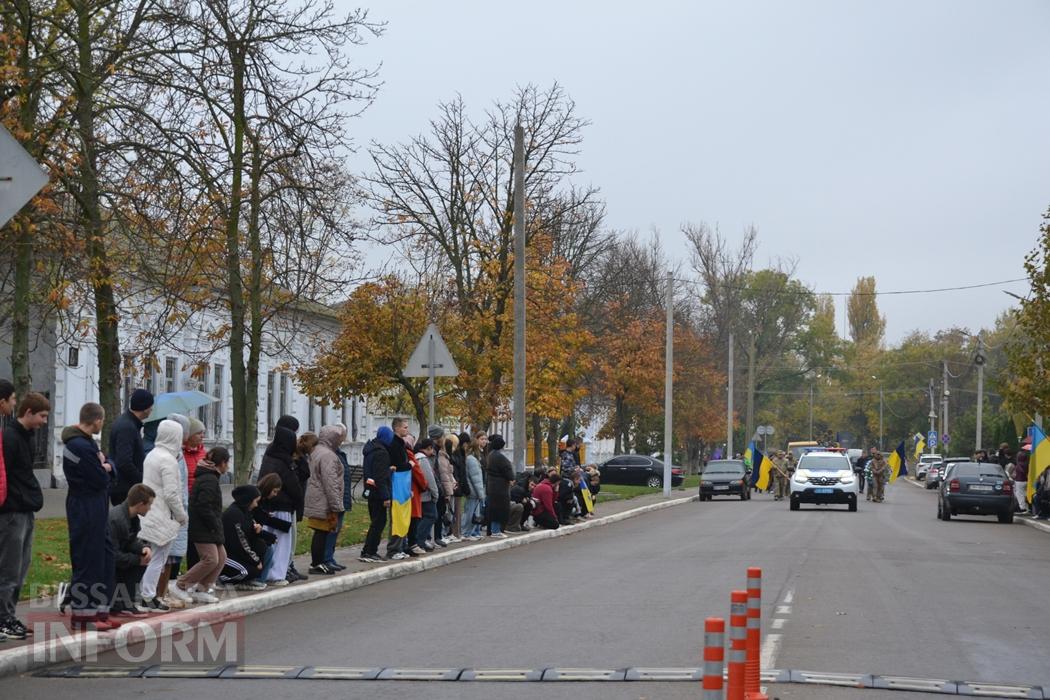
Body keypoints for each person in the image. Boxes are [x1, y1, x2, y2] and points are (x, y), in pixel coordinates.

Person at [62, 402, 118, 629]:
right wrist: (106, 469)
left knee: (103, 556)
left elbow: (107, 466)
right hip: (85, 506)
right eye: (101, 421)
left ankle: (100, 611)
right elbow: (99, 479)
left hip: (95, 505)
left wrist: (108, 466)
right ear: (97, 420)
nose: (101, 425)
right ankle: (84, 616)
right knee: (87, 558)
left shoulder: (85, 443)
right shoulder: (80, 446)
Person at [0, 392, 49, 640]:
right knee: (9, 568)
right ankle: (3, 618)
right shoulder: (9, 438)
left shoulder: (26, 437)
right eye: (41, 416)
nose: (44, 422)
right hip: (12, 511)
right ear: (28, 413)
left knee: (21, 566)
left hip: (25, 508)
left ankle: (9, 615)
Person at [137, 420, 187, 612]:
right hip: (162, 514)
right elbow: (172, 494)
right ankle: (148, 596)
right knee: (159, 558)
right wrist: (181, 516)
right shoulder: (168, 460)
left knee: (150, 556)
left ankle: (144, 594)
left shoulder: (152, 455)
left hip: (148, 512)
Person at [170, 447, 229, 605]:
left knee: (221, 557)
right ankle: (180, 585)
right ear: (222, 463)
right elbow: (204, 506)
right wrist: (215, 524)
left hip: (209, 527)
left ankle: (201, 589)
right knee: (210, 559)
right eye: (227, 463)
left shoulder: (209, 477)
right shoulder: (209, 479)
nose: (228, 467)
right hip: (203, 527)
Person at [257, 426, 301, 584]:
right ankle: (276, 574)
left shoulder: (269, 456)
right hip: (282, 507)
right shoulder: (284, 461)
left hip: (268, 507)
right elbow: (293, 485)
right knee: (282, 543)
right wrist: (298, 500)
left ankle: (269, 571)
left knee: (271, 540)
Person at [304, 425, 346, 574]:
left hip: (316, 498)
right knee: (322, 533)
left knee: (320, 533)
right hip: (324, 501)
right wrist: (337, 505)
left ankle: (320, 562)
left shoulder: (316, 452)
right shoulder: (329, 455)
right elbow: (331, 483)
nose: (340, 442)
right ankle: (317, 563)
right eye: (339, 439)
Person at [109, 483, 155, 616]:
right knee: (138, 562)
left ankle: (125, 602)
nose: (150, 508)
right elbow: (112, 554)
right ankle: (118, 604)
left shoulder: (132, 517)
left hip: (114, 555)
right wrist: (136, 560)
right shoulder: (116, 519)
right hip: (102, 561)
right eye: (149, 505)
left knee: (142, 559)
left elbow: (130, 540)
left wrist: (143, 549)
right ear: (141, 504)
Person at [220, 484, 271, 590]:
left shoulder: (245, 512)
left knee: (266, 549)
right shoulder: (234, 514)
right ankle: (226, 581)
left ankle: (250, 580)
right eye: (255, 501)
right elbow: (241, 543)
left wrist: (256, 529)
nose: (256, 505)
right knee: (247, 571)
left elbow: (248, 534)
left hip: (239, 554)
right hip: (229, 555)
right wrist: (256, 561)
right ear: (248, 500)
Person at [109, 388, 152, 506]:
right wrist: (142, 479)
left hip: (126, 488)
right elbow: (124, 462)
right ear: (145, 408)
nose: (152, 409)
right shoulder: (127, 427)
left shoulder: (129, 423)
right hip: (125, 490)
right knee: (128, 523)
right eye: (151, 406)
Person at [359, 426, 393, 563]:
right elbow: (380, 476)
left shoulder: (370, 450)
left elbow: (374, 472)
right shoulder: (382, 452)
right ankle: (370, 551)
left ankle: (367, 550)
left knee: (376, 521)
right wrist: (386, 496)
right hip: (378, 493)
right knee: (379, 522)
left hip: (370, 490)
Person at [288, 432, 317, 582]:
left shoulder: (302, 458)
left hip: (297, 500)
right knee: (289, 538)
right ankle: (288, 566)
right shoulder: (296, 458)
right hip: (292, 501)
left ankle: (290, 565)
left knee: (293, 537)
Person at [325, 427, 354, 569]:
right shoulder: (329, 454)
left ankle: (330, 557)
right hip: (334, 499)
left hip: (341, 498)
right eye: (340, 436)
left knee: (335, 529)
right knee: (330, 529)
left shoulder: (340, 453)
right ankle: (326, 558)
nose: (343, 439)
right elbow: (330, 479)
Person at [386, 419, 413, 560]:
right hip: (397, 487)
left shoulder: (401, 444)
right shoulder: (394, 445)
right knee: (396, 518)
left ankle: (401, 546)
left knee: (402, 517)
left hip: (403, 487)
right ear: (396, 428)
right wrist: (410, 465)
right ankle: (393, 549)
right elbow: (398, 465)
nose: (407, 430)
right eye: (404, 427)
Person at [485, 434, 513, 538]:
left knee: (493, 509)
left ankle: (492, 530)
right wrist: (511, 478)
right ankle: (496, 530)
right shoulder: (500, 457)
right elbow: (509, 472)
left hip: (492, 486)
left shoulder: (490, 455)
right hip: (500, 488)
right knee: (499, 509)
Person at [414, 438, 439, 551]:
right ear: (429, 448)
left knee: (422, 517)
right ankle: (420, 540)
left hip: (419, 494)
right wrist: (435, 494)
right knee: (431, 515)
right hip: (425, 495)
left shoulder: (416, 458)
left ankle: (420, 540)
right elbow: (430, 479)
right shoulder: (423, 460)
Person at [462, 436, 487, 540]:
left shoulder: (471, 459)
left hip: (474, 492)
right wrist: (481, 495)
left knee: (473, 513)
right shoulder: (472, 460)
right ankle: (466, 533)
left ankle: (470, 533)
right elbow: (476, 479)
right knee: (470, 513)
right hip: (473, 492)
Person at [183, 418, 207, 494]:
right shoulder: (180, 454)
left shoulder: (204, 453)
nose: (202, 436)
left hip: (202, 495)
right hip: (186, 496)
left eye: (203, 433)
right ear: (189, 435)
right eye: (199, 433)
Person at [1012, 449, 1029, 513]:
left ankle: (1022, 508)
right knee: (1025, 493)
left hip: (1019, 480)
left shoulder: (1018, 464)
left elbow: (1017, 473)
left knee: (1019, 494)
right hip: (1026, 480)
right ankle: (1027, 507)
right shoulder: (1027, 464)